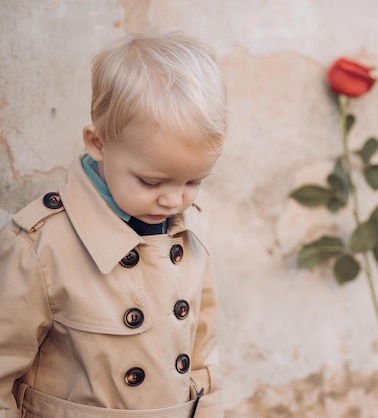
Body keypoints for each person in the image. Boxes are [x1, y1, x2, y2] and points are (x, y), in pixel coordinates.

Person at [0, 31, 228, 418]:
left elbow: (203, 352)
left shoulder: (190, 232)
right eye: (152, 182)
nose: (174, 200)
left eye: (193, 182)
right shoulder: (40, 245)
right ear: (98, 143)